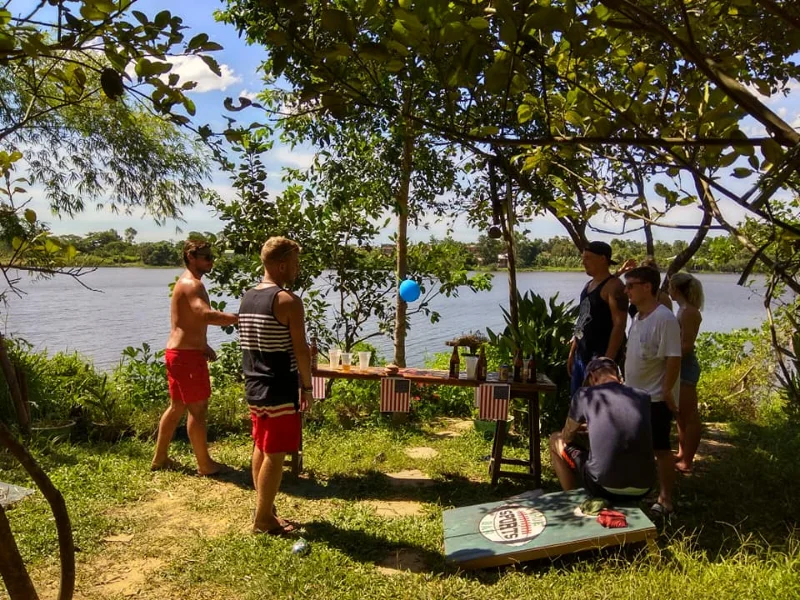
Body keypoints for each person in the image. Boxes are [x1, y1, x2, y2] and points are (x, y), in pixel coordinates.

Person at [239, 237, 313, 535]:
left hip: (254, 382)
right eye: (294, 264)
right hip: (279, 385)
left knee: (262, 445)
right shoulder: (287, 301)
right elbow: (301, 350)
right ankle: (263, 519)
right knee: (276, 452)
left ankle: (265, 509)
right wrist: (307, 387)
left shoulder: (248, 297)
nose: (296, 270)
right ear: (282, 265)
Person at [151, 240, 239, 474]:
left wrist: (203, 344)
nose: (211, 261)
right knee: (197, 411)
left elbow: (187, 321)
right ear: (190, 256)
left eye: (212, 256)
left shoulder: (186, 282)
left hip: (180, 353)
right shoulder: (192, 284)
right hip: (186, 357)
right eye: (206, 256)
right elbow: (204, 313)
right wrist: (239, 317)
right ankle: (204, 464)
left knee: (177, 407)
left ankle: (160, 458)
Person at [549, 357, 655, 501]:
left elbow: (567, 435)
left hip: (603, 487)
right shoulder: (643, 396)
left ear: (593, 377)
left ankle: (572, 499)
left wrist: (579, 428)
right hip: (644, 488)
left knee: (556, 439)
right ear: (618, 376)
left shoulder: (584, 394)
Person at [623, 266, 682, 517]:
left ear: (647, 287)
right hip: (634, 395)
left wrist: (667, 390)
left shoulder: (665, 318)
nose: (626, 291)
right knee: (638, 447)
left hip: (655, 397)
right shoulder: (638, 317)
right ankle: (642, 490)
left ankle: (666, 499)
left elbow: (674, 357)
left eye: (630, 285)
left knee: (661, 450)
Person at [568, 241, 629, 394]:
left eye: (588, 257)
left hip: (599, 357)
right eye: (583, 257)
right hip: (581, 355)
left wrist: (607, 362)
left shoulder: (614, 286)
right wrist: (573, 351)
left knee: (596, 408)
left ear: (602, 259)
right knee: (578, 404)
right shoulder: (588, 285)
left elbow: (620, 325)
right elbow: (582, 320)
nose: (583, 261)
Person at [669, 273, 704, 474]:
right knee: (680, 415)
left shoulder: (689, 312)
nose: (668, 291)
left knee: (689, 415)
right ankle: (682, 454)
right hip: (679, 365)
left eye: (670, 287)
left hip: (685, 367)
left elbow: (687, 345)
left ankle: (687, 461)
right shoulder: (682, 310)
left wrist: (669, 359)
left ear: (677, 289)